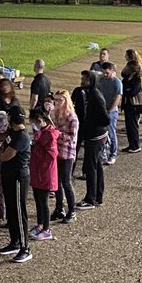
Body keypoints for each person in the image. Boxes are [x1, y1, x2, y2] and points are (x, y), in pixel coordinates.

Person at [0, 105, 33, 263]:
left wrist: (1, 153)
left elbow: (5, 155)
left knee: (19, 211)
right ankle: (15, 242)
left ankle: (25, 247)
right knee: (11, 209)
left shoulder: (22, 137)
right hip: (9, 176)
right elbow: (3, 148)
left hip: (18, 177)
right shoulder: (13, 133)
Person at [28, 103, 60, 240]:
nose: (36, 124)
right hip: (37, 170)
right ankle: (40, 224)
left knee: (44, 201)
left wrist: (36, 148)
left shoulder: (50, 135)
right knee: (37, 200)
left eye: (38, 121)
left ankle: (47, 229)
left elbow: (52, 155)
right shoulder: (39, 133)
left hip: (46, 172)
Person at [79, 73, 110, 210]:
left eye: (84, 80)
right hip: (96, 135)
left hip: (95, 136)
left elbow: (105, 119)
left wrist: (91, 124)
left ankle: (90, 199)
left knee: (91, 167)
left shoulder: (95, 96)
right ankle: (98, 196)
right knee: (97, 165)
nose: (82, 81)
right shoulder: (92, 94)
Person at [49, 92, 78, 223]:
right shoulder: (54, 114)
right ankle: (59, 208)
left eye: (60, 100)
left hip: (67, 153)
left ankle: (72, 211)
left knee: (66, 182)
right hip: (56, 152)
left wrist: (57, 134)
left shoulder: (72, 118)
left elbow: (72, 138)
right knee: (57, 182)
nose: (57, 103)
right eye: (55, 100)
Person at [96, 62, 122, 165]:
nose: (105, 75)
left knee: (111, 133)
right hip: (103, 109)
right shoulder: (102, 80)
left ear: (112, 71)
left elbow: (117, 98)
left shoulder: (117, 82)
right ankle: (103, 153)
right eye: (103, 73)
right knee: (102, 133)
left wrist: (109, 110)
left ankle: (113, 154)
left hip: (111, 111)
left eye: (107, 73)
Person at [120, 49, 142, 153]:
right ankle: (132, 144)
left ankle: (135, 145)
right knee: (129, 125)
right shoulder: (128, 78)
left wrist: (125, 90)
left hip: (134, 105)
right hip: (129, 104)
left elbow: (132, 91)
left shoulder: (136, 79)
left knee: (133, 125)